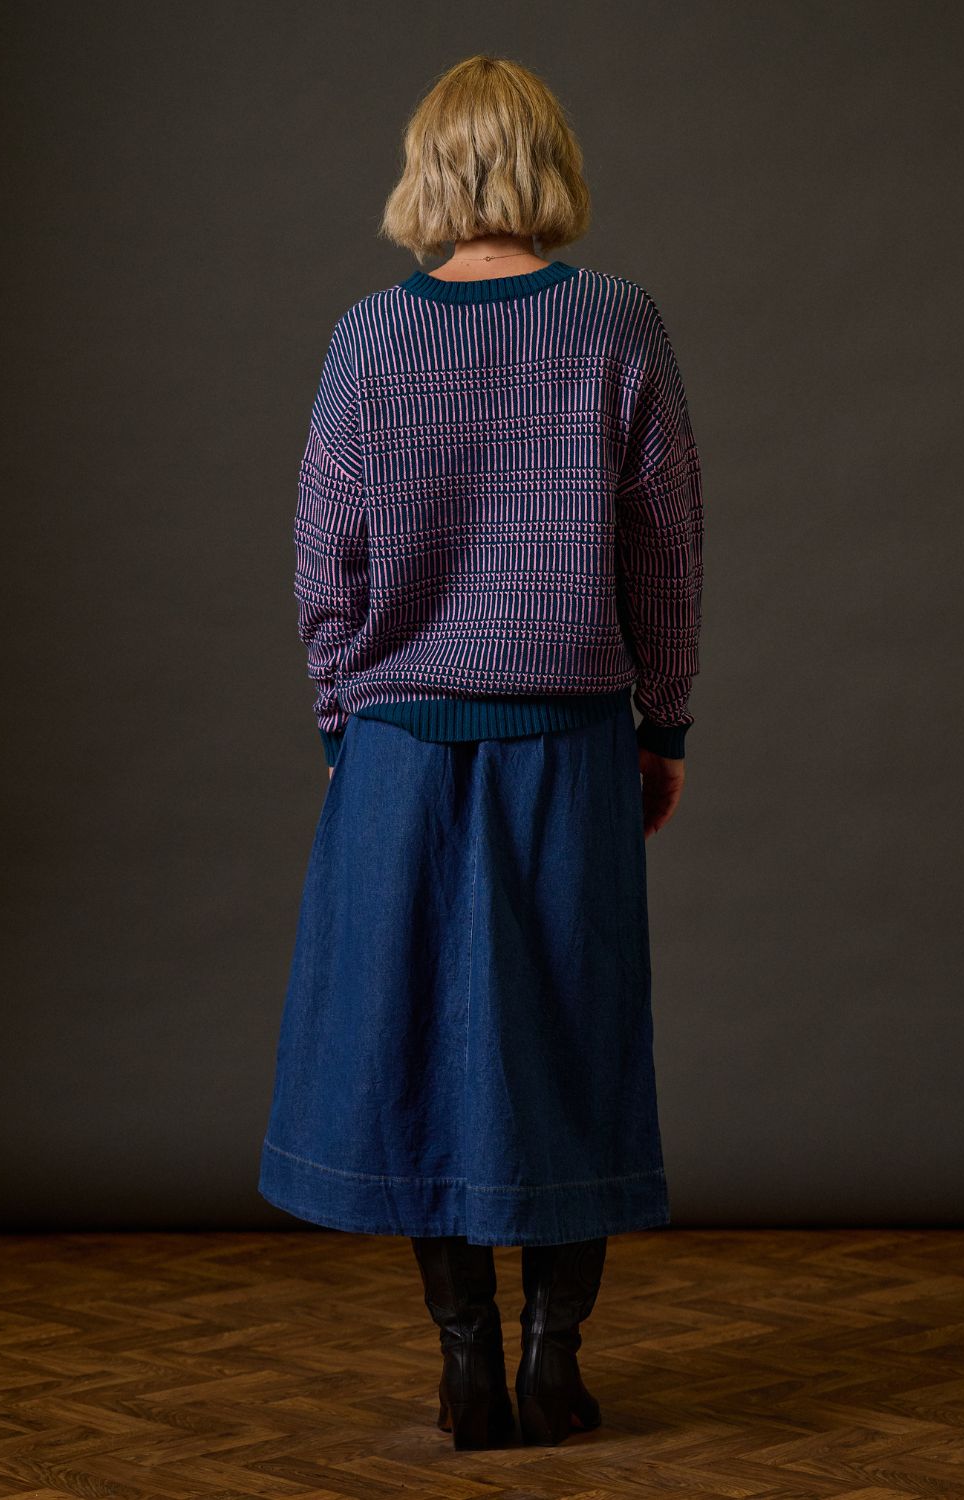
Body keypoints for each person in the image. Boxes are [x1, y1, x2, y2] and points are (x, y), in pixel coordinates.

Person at [258, 52, 704, 1450]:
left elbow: (323, 559)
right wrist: (664, 723)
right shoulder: (616, 321)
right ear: (548, 162)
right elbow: (666, 545)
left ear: (428, 170)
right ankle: (553, 1365)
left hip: (401, 746)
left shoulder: (369, 338)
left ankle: (466, 1367)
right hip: (569, 742)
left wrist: (344, 717)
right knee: (570, 1037)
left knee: (417, 1047)